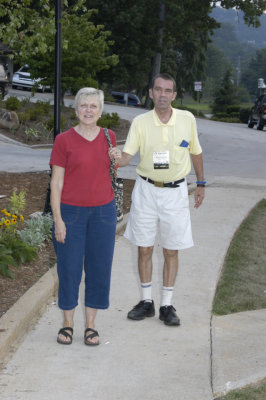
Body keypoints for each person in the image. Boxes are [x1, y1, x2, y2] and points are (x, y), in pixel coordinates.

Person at [110, 73, 205, 326]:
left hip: (175, 193)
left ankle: (166, 304)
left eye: (168, 90)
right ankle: (146, 302)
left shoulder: (187, 120)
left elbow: (196, 152)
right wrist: (110, 158)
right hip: (146, 191)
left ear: (174, 95)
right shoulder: (140, 122)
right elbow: (127, 157)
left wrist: (202, 182)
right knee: (144, 247)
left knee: (171, 249)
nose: (162, 94)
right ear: (151, 92)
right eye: (158, 89)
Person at [50, 87, 121, 345]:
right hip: (71, 213)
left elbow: (118, 164)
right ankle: (68, 323)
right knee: (68, 269)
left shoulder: (109, 137)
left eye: (93, 106)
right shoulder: (64, 140)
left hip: (103, 213)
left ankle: (91, 325)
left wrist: (119, 157)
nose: (88, 110)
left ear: (100, 111)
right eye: (84, 106)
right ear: (76, 109)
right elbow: (56, 183)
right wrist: (58, 219)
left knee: (98, 268)